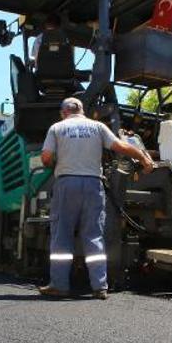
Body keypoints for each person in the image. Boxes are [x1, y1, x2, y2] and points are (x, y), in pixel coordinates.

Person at [39, 98, 154, 300]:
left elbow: (46, 158)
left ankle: (59, 285)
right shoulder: (97, 126)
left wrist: (56, 162)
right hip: (93, 185)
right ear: (82, 111)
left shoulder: (57, 128)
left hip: (67, 184)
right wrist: (143, 157)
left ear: (63, 112)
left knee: (62, 234)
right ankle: (100, 287)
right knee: (93, 235)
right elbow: (120, 146)